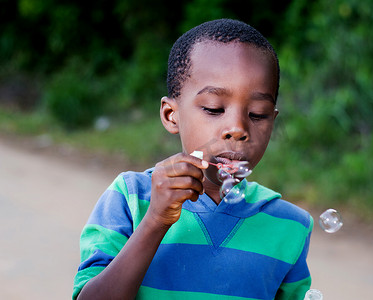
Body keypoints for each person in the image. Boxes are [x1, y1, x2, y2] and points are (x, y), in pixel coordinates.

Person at [73, 18, 313, 300]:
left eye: (257, 114)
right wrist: (155, 222)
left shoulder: (291, 225)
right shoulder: (131, 198)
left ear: (272, 120)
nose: (237, 128)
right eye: (214, 109)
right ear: (170, 115)